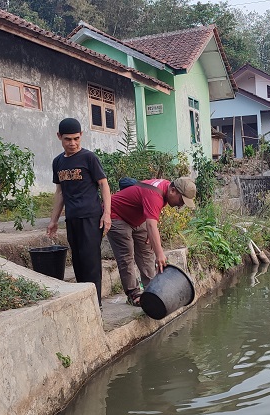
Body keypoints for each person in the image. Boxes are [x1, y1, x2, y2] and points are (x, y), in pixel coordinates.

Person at [47, 118, 111, 307]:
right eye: (68, 139)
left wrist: (107, 214)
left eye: (76, 138)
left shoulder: (89, 158)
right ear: (59, 137)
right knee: (78, 262)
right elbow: (60, 193)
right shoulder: (57, 162)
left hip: (91, 217)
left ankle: (96, 305)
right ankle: (85, 303)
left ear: (81, 136)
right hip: (72, 218)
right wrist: (53, 221)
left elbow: (104, 185)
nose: (73, 143)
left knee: (91, 263)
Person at [107, 177, 196, 306]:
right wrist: (160, 254)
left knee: (146, 251)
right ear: (173, 191)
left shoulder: (165, 188)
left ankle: (152, 290)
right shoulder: (155, 194)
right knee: (126, 255)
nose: (181, 205)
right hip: (116, 214)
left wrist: (152, 233)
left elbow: (152, 216)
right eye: (181, 200)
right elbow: (151, 224)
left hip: (136, 216)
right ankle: (134, 294)